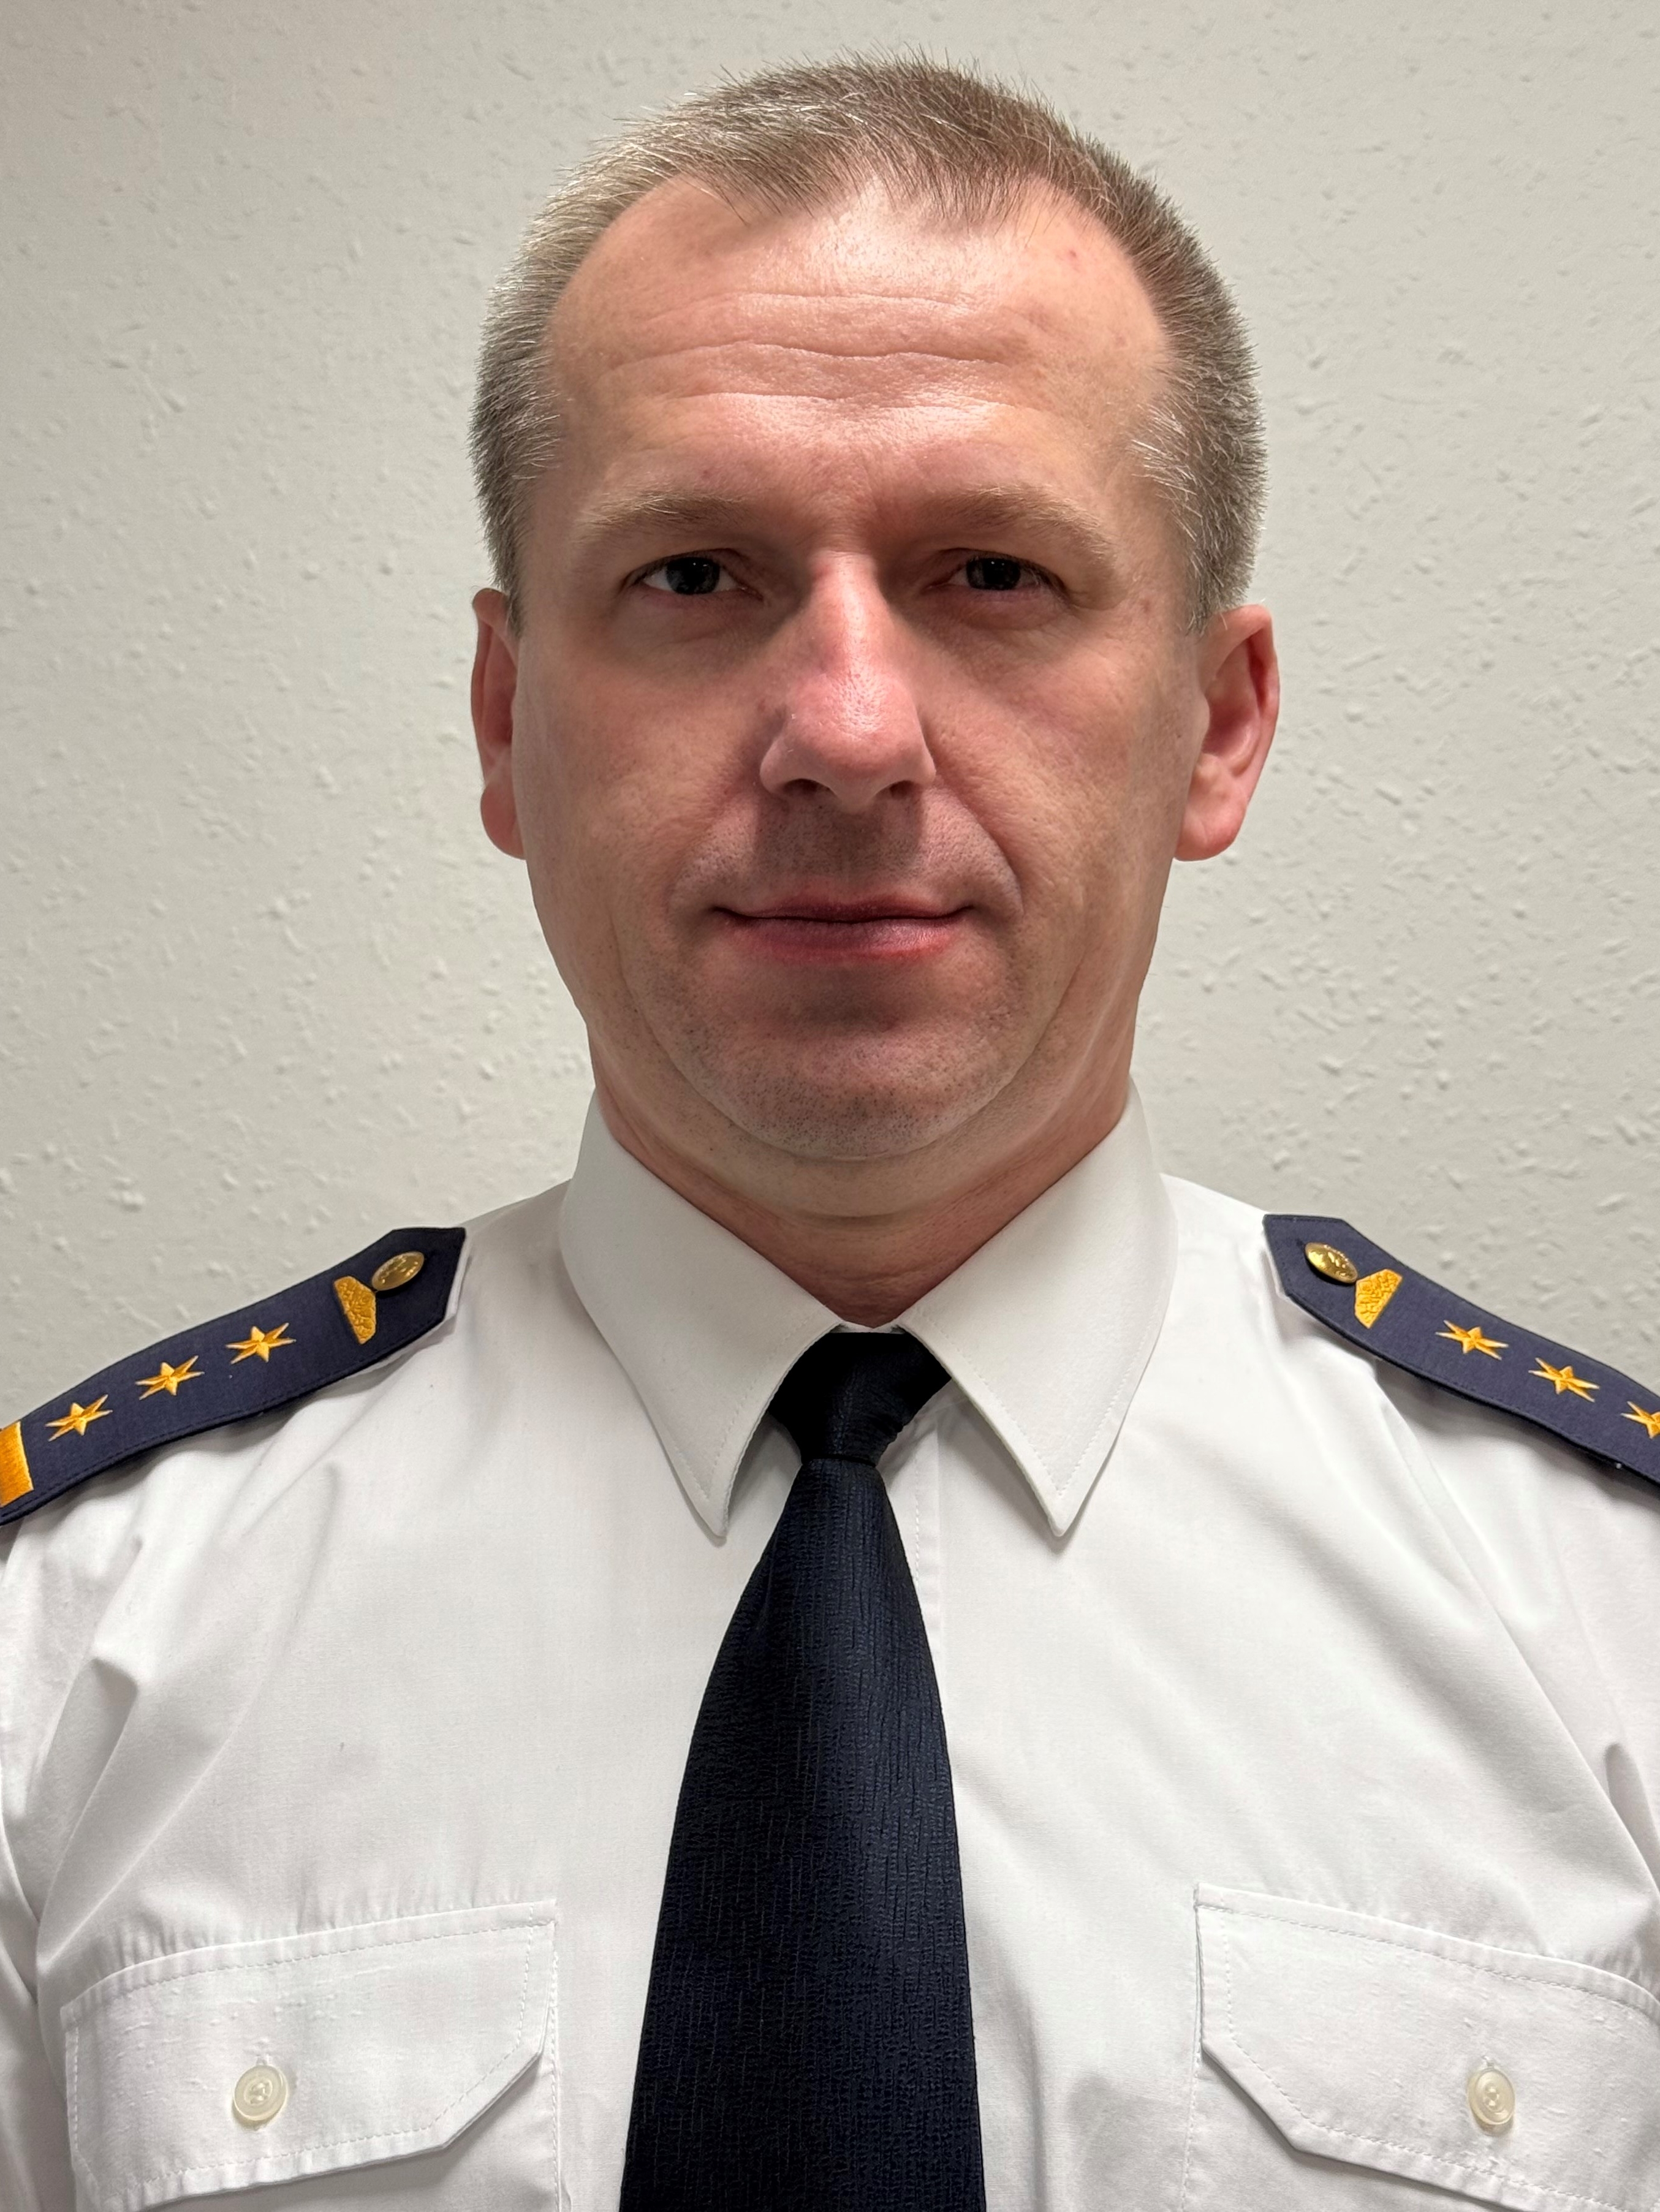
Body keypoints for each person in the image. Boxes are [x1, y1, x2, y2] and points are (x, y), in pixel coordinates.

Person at [3, 53, 1658, 2212]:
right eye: (697, 574)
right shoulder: (77, 1650)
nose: (850, 732)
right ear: (507, 721)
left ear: (1218, 725)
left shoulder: (1606, 1631)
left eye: (995, 573)